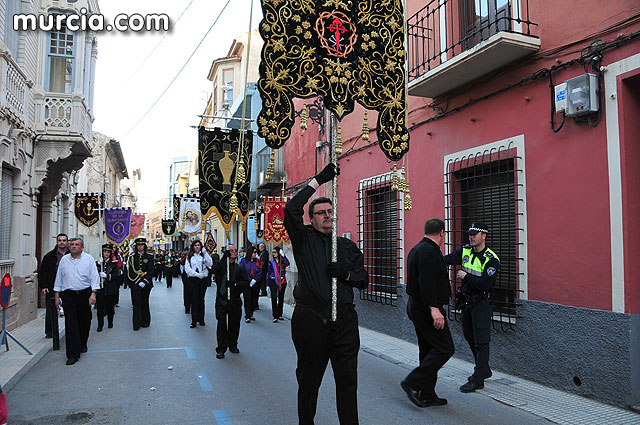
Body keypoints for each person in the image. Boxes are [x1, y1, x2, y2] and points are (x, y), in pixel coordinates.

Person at [284, 163, 368, 425]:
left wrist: (344, 274)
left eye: (330, 212)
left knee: (347, 383)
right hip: (311, 321)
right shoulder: (303, 238)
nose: (327, 216)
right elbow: (291, 209)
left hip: (343, 322)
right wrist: (318, 180)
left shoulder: (345, 246)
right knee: (309, 382)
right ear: (311, 218)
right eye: (321, 213)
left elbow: (362, 280)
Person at [400, 218, 453, 408]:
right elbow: (426, 282)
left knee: (428, 349)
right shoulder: (429, 251)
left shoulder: (417, 249)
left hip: (417, 306)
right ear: (441, 233)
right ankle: (412, 382)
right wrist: (434, 308)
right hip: (426, 309)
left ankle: (427, 393)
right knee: (445, 348)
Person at [444, 222, 500, 393]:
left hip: (481, 304)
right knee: (469, 336)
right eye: (470, 234)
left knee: (481, 341)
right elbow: (446, 260)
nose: (471, 237)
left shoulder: (491, 259)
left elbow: (485, 284)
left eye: (475, 234)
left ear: (484, 236)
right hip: (467, 303)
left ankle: (478, 379)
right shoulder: (465, 251)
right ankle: (483, 369)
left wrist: (466, 276)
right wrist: (428, 254)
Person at [53, 237, 100, 365]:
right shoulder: (64, 260)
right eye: (72, 244)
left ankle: (82, 342)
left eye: (77, 244)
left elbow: (94, 277)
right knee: (71, 324)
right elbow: (59, 278)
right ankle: (72, 355)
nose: (73, 246)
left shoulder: (88, 259)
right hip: (68, 295)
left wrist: (93, 294)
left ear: (82, 247)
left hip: (84, 294)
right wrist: (57, 296)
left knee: (84, 321)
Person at [210, 245, 249, 359]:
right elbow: (213, 271)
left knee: (234, 324)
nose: (233, 252)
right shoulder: (222, 266)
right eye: (230, 251)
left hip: (234, 300)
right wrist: (223, 258)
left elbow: (245, 283)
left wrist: (234, 285)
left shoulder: (239, 268)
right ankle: (221, 348)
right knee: (221, 324)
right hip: (221, 301)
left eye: (235, 251)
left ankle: (233, 344)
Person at [38, 233, 69, 338]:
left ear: (67, 242)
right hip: (52, 287)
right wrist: (43, 286)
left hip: (68, 287)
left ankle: (69, 331)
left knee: (69, 310)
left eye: (64, 240)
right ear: (57, 242)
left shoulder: (72, 256)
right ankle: (50, 332)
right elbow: (42, 272)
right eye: (60, 240)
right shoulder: (49, 256)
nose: (62, 242)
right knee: (51, 311)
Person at [126, 238, 154, 331]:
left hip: (146, 284)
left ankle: (145, 321)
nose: (140, 247)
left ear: (144, 246)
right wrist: (137, 281)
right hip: (135, 283)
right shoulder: (132, 257)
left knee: (145, 302)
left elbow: (151, 270)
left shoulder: (149, 257)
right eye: (138, 245)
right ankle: (136, 324)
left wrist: (145, 281)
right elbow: (130, 271)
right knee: (136, 303)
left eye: (142, 245)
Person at [184, 240, 213, 328]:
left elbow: (210, 263)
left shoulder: (203, 256)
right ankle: (194, 321)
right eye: (195, 245)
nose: (197, 247)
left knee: (201, 300)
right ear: (193, 247)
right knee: (194, 300)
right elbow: (187, 269)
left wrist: (206, 253)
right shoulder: (190, 257)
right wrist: (196, 274)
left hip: (203, 280)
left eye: (199, 245)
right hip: (193, 279)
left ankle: (201, 319)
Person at [95, 244, 119, 332]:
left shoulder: (113, 264)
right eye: (105, 252)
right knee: (100, 308)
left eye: (108, 252)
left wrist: (107, 276)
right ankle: (100, 325)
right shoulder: (98, 263)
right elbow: (93, 273)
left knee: (110, 308)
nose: (106, 254)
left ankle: (110, 322)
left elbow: (116, 276)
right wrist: (98, 264)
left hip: (110, 288)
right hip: (100, 288)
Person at [239, 245, 262, 323]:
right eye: (254, 252)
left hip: (255, 282)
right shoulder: (243, 261)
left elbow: (260, 271)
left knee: (253, 298)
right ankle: (247, 315)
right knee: (247, 299)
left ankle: (251, 313)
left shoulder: (257, 261)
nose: (255, 254)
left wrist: (255, 279)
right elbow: (242, 271)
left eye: (256, 252)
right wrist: (249, 279)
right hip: (246, 283)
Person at [267, 246, 290, 323]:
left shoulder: (282, 261)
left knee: (281, 297)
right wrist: (267, 284)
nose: (273, 254)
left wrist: (283, 256)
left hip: (282, 280)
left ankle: (280, 314)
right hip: (273, 280)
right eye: (272, 252)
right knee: (274, 297)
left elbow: (288, 263)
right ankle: (275, 315)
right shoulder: (271, 263)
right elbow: (269, 273)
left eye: (275, 252)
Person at [180, 248, 190, 313]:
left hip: (193, 275)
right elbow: (182, 262)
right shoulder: (184, 256)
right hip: (185, 274)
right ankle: (187, 306)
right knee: (186, 290)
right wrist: (185, 256)